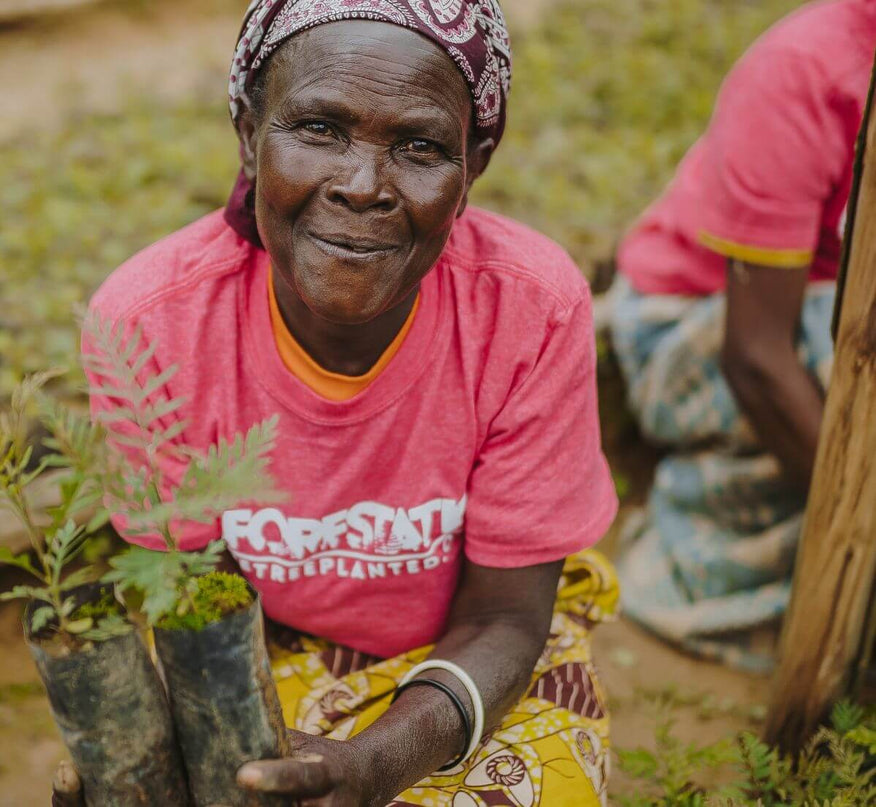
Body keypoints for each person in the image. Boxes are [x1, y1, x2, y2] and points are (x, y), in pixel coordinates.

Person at [88, 1, 618, 804]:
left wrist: (380, 763)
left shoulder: (530, 312)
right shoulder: (150, 328)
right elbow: (196, 609)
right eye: (318, 129)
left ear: (474, 162)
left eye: (420, 146)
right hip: (268, 649)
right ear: (247, 133)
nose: (362, 186)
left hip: (472, 656)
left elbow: (508, 617)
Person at [609, 0, 876, 673]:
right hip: (700, 322)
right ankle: (688, 562)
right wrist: (859, 529)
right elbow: (756, 355)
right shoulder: (807, 71)